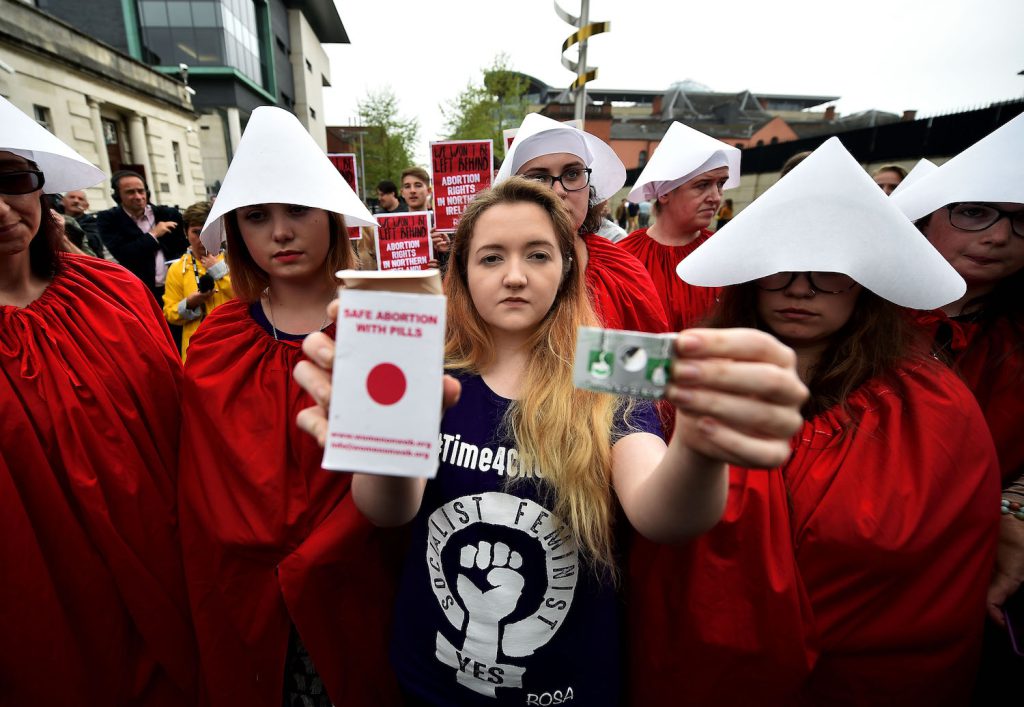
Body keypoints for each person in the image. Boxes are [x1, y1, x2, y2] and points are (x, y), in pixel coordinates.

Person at [292, 177, 808, 705]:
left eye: (537, 255)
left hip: (569, 688)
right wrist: (378, 445)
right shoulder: (427, 370)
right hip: (431, 679)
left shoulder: (612, 366)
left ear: (567, 268)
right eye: (491, 258)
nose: (515, 276)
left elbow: (662, 515)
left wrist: (700, 444)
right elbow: (387, 512)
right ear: (462, 274)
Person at [629, 138, 1000, 707]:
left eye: (829, 273)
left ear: (866, 283)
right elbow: (580, 387)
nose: (801, 288)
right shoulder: (691, 370)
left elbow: (932, 574)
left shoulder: (932, 407)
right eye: (780, 270)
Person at [177, 106, 398, 707]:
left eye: (297, 210)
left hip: (360, 579)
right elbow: (203, 481)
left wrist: (319, 554)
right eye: (257, 217)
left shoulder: (385, 322)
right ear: (238, 233)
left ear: (330, 217)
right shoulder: (220, 337)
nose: (280, 232)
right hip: (245, 591)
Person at [0, 96, 197, 704]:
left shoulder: (111, 290)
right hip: (52, 611)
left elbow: (186, 424)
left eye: (12, 180)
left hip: (173, 577)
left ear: (41, 187)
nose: (1, 207)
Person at [892, 113, 1024, 698]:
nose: (998, 236)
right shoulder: (855, 313)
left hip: (974, 575)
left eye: (1022, 223)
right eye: (974, 212)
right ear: (927, 219)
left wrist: (1016, 511)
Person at [495, 113, 669, 333]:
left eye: (572, 174)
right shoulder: (484, 267)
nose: (559, 190)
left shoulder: (620, 269)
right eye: (539, 178)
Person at [618, 121, 742, 332]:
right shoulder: (624, 257)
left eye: (720, 184)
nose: (716, 197)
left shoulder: (726, 255)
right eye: (702, 185)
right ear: (665, 193)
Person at [97, 169, 187, 301]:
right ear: (117, 196)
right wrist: (154, 234)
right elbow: (124, 254)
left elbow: (183, 248)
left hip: (175, 289)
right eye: (130, 192)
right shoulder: (109, 219)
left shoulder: (169, 214)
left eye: (141, 191)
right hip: (140, 293)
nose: (138, 197)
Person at [162, 200, 233, 361]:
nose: (203, 238)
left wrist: (220, 270)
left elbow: (251, 298)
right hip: (197, 352)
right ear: (185, 233)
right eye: (196, 232)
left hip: (234, 345)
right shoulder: (177, 269)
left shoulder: (236, 261)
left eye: (209, 231)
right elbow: (169, 314)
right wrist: (190, 303)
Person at [63, 187, 107, 257]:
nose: (76, 201)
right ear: (62, 201)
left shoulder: (93, 222)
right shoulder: (55, 218)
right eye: (72, 197)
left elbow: (94, 243)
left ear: (86, 206)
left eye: (81, 199)